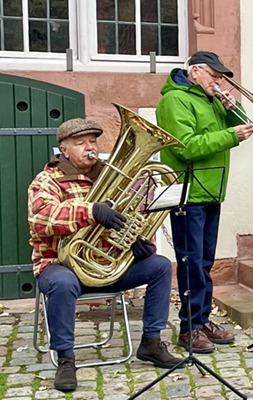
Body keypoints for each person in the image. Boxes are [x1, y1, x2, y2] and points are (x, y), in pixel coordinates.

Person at [28, 119, 182, 392]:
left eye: (93, 142)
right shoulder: (47, 180)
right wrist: (91, 211)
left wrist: (138, 242)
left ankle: (151, 342)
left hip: (104, 267)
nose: (90, 148)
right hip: (58, 265)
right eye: (81, 143)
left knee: (159, 265)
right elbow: (42, 219)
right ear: (63, 150)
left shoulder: (114, 179)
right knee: (63, 284)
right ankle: (65, 357)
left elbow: (135, 216)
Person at [156, 51, 252, 353]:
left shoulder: (211, 100)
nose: (219, 82)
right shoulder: (175, 100)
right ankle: (188, 328)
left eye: (221, 77)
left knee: (205, 262)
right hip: (188, 193)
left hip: (211, 191)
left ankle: (202, 318)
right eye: (215, 75)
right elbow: (187, 147)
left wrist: (232, 109)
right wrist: (230, 135)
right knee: (191, 262)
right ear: (195, 71)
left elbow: (244, 126)